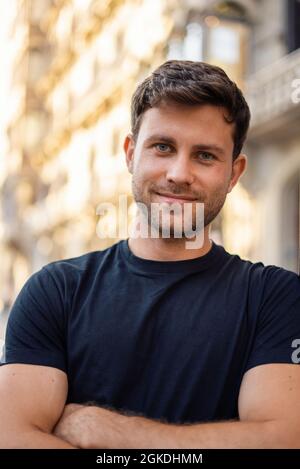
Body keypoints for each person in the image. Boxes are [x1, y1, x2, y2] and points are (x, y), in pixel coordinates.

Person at [0, 60, 300, 449]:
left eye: (205, 155)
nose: (178, 172)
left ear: (234, 174)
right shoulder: (56, 290)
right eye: (162, 147)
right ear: (130, 153)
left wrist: (105, 431)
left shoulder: (274, 297)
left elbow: (281, 440)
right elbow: (12, 437)